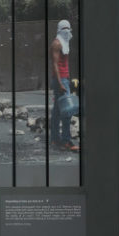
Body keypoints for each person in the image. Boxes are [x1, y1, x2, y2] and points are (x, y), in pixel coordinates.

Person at [49, 20, 79, 152]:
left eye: (69, 28)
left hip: (64, 78)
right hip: (60, 80)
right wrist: (61, 83)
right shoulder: (57, 43)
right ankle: (66, 141)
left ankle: (55, 139)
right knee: (67, 111)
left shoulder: (65, 42)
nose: (67, 31)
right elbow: (55, 64)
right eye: (64, 28)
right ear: (60, 29)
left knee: (57, 111)